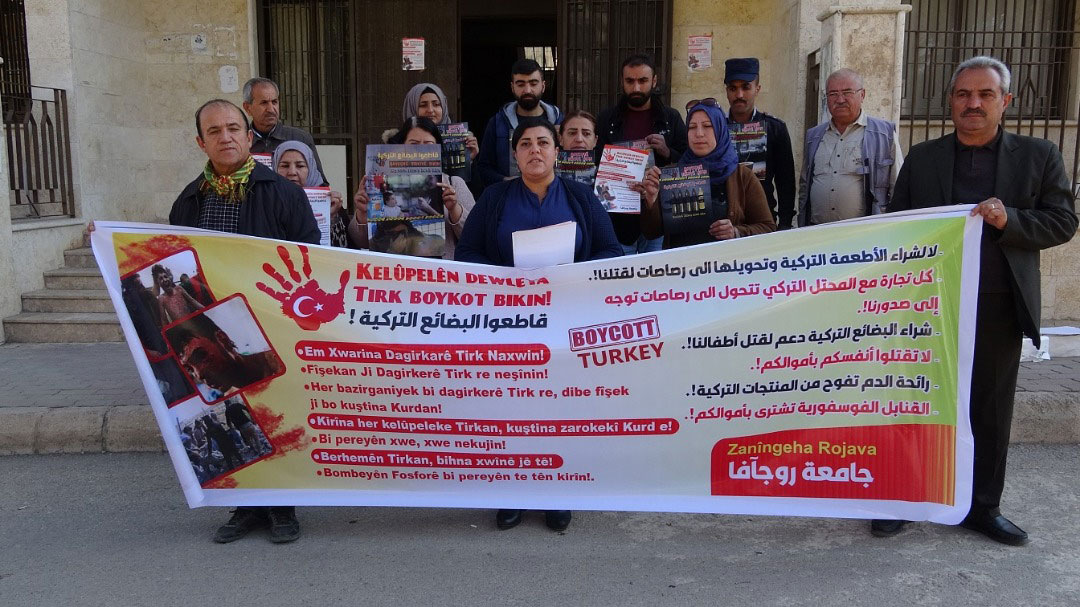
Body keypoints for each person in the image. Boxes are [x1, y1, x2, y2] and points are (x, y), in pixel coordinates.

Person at [874, 56, 1077, 546]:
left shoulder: (1038, 155)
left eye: (985, 95)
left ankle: (982, 507)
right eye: (964, 94)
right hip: (929, 306)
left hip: (998, 306)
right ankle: (906, 498)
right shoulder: (922, 159)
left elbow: (1062, 222)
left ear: (1005, 102)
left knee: (988, 410)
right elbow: (899, 226)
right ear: (950, 102)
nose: (973, 103)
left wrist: (1011, 222)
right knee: (917, 403)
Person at [456, 118, 621, 531]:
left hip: (567, 323)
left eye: (543, 142)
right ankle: (513, 491)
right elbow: (467, 255)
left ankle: (557, 491)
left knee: (560, 409)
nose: (535, 150)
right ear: (515, 153)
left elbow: (611, 251)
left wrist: (571, 274)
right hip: (510, 323)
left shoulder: (583, 198)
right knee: (512, 408)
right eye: (526, 143)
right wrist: (507, 278)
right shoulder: (494, 197)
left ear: (557, 152)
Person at [169, 98, 316, 544]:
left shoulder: (284, 193)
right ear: (201, 142)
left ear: (250, 137)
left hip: (267, 322)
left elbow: (309, 255)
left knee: (275, 410)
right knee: (229, 409)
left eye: (234, 128)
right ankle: (245, 508)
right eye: (214, 131)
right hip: (209, 330)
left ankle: (283, 508)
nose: (226, 136)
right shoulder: (188, 202)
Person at [638, 100, 775, 244]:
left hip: (724, 264)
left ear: (720, 129)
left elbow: (767, 227)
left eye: (707, 126)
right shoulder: (673, 175)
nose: (699, 134)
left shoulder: (742, 176)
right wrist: (651, 200)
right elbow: (651, 232)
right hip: (681, 265)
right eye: (692, 127)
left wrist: (736, 232)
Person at [595, 54, 688, 254]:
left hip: (658, 215)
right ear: (622, 82)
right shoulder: (606, 119)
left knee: (653, 278)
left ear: (654, 81)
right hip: (618, 218)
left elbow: (689, 165)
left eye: (643, 80)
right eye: (630, 81)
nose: (636, 88)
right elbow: (595, 163)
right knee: (620, 278)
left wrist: (666, 151)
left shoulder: (670, 118)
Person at [349, 117, 475, 259]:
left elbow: (475, 236)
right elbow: (361, 241)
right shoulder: (380, 183)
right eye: (413, 144)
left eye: (428, 144)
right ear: (402, 147)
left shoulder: (454, 183)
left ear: (438, 148)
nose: (421, 150)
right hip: (395, 273)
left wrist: (454, 209)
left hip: (441, 275)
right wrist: (362, 213)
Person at [798, 68, 904, 226]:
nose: (840, 100)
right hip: (818, 233)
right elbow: (805, 185)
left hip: (864, 236)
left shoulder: (884, 133)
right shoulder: (814, 136)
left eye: (847, 92)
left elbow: (898, 186)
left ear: (862, 95)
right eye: (833, 94)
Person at [724, 57, 797, 230]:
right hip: (723, 225)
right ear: (726, 91)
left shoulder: (775, 128)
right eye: (733, 88)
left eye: (746, 87)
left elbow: (785, 182)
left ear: (757, 89)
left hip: (763, 223)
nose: (739, 95)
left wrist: (785, 224)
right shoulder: (714, 129)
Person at [476, 59, 563, 186]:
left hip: (553, 198)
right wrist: (506, 182)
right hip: (509, 199)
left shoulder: (560, 122)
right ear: (512, 87)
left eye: (533, 84)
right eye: (521, 84)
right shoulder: (497, 123)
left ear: (543, 86)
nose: (527, 90)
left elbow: (576, 164)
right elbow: (484, 168)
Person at [242, 77, 327, 177]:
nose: (271, 109)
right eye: (264, 103)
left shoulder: (300, 138)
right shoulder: (241, 141)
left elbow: (319, 182)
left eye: (274, 102)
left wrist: (329, 192)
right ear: (247, 108)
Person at [271, 140, 349, 247]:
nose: (292, 172)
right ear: (275, 167)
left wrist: (329, 218)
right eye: (284, 166)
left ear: (311, 168)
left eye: (300, 166)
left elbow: (344, 249)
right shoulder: (265, 200)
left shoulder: (329, 203)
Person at [402, 82, 479, 161]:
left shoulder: (462, 141)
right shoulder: (395, 142)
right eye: (423, 105)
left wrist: (469, 160)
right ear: (411, 108)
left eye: (436, 104)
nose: (430, 110)